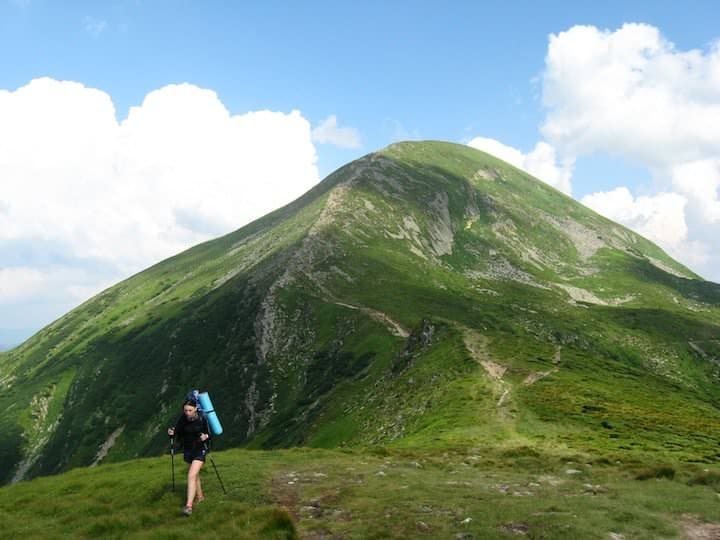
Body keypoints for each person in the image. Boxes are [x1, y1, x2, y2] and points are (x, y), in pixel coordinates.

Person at [167, 398, 211, 516]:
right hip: (187, 451)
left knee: (191, 475)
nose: (187, 413)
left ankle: (188, 506)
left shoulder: (203, 419)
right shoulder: (183, 418)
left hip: (200, 450)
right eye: (185, 410)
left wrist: (206, 437)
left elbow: (209, 434)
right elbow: (178, 431)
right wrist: (172, 433)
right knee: (194, 476)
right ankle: (200, 497)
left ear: (196, 408)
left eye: (190, 410)